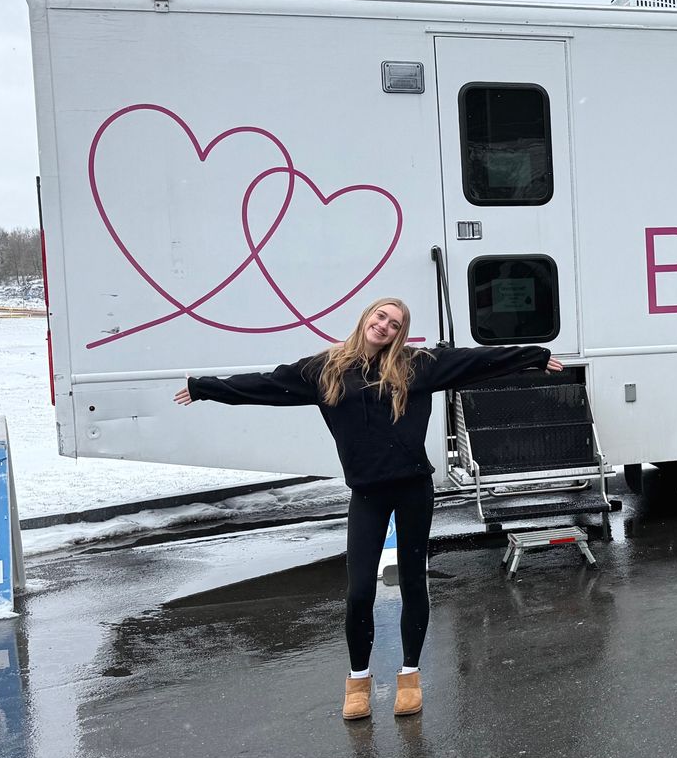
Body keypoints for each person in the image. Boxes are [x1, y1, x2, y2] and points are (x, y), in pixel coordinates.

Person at [175, 297, 560, 720]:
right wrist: (205, 387)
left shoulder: (417, 365)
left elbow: (473, 362)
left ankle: (409, 677)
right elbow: (266, 385)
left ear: (400, 333)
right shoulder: (324, 370)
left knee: (414, 584)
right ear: (366, 318)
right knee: (359, 592)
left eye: (395, 324)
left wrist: (534, 357)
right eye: (381, 317)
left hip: (413, 489)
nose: (385, 326)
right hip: (368, 495)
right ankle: (358, 680)